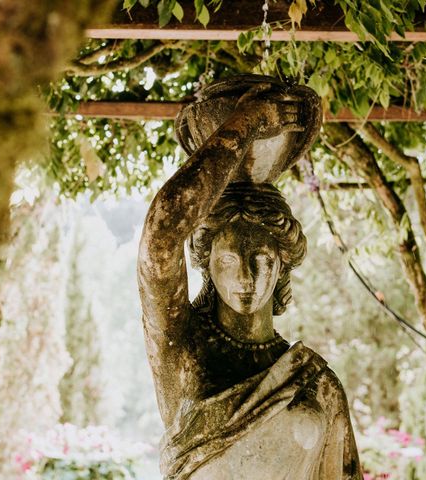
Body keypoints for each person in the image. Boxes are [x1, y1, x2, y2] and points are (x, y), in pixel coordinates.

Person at [137, 77, 361, 479]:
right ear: (207, 264)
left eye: (260, 258)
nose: (245, 275)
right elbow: (161, 235)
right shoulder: (183, 349)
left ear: (281, 265)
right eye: (227, 259)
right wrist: (245, 126)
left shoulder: (314, 382)